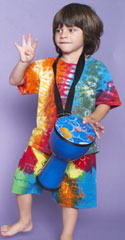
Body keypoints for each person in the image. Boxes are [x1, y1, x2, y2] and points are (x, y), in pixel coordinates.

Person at [1, 3, 121, 240]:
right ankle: (25, 222)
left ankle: (67, 235)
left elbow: (107, 100)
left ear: (89, 34)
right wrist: (24, 61)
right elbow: (15, 81)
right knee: (22, 181)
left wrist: (94, 118)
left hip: (78, 144)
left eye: (72, 29)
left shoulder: (97, 69)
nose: (63, 34)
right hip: (42, 140)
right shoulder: (46, 66)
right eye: (59, 29)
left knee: (71, 192)